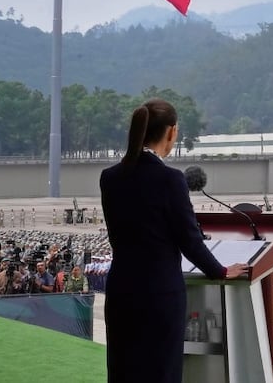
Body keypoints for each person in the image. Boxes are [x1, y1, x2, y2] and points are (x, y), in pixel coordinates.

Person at [100, 99, 249, 383]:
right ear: (171, 132)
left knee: (123, 371)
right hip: (159, 294)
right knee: (160, 372)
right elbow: (189, 240)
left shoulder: (110, 177)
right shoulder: (170, 179)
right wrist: (220, 270)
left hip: (121, 291)